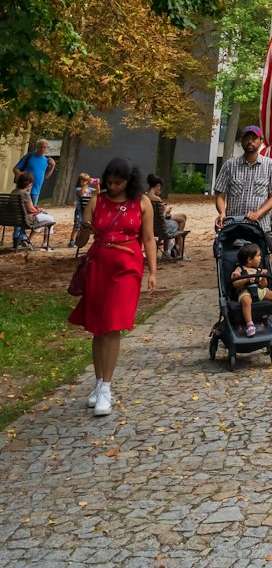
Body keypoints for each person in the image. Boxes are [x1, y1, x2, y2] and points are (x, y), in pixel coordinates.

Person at [70, 157, 156, 418]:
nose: (113, 186)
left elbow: (149, 238)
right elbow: (81, 241)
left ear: (130, 181)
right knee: (98, 327)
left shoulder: (142, 202)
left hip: (128, 266)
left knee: (112, 323)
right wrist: (84, 225)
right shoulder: (97, 200)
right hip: (100, 264)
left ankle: (107, 386)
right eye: (109, 182)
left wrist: (153, 271)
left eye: (118, 182)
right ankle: (98, 383)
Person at [214, 125, 272, 237]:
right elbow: (220, 196)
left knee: (260, 254)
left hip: (260, 227)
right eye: (246, 138)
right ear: (242, 141)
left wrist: (257, 214)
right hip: (233, 226)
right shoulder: (229, 165)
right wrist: (222, 213)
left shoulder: (270, 165)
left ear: (261, 141)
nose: (250, 141)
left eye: (254, 138)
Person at [230, 241, 272, 335]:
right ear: (250, 259)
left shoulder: (258, 270)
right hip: (245, 292)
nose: (260, 258)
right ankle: (250, 324)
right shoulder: (240, 269)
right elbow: (235, 284)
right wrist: (245, 280)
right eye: (258, 256)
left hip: (259, 291)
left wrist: (263, 277)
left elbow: (263, 286)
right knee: (246, 301)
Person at [146, 174, 187, 259]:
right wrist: (166, 210)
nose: (159, 189)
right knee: (181, 222)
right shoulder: (157, 199)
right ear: (157, 186)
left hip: (150, 226)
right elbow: (163, 217)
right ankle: (177, 249)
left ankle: (169, 251)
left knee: (183, 216)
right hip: (161, 227)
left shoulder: (145, 197)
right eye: (159, 187)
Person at [14, 171, 57, 250]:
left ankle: (28, 240)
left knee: (42, 218)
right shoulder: (24, 194)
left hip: (14, 218)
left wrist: (36, 210)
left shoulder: (14, 192)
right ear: (29, 184)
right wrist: (39, 211)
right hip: (25, 219)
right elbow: (30, 210)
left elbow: (27, 208)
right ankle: (45, 243)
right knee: (50, 218)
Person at [14, 139, 55, 204]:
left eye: (44, 147)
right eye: (40, 147)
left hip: (36, 191)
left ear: (47, 148)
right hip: (24, 190)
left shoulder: (46, 161)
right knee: (21, 210)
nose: (42, 149)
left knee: (32, 212)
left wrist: (52, 166)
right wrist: (22, 176)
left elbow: (45, 176)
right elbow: (16, 169)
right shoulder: (29, 156)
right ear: (37, 147)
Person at [71, 173, 93, 247]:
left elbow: (97, 192)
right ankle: (72, 240)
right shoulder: (78, 189)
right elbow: (81, 193)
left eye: (86, 181)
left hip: (87, 210)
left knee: (86, 226)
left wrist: (97, 184)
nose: (84, 182)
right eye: (82, 181)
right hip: (79, 210)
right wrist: (85, 185)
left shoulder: (90, 189)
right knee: (77, 224)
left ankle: (81, 240)